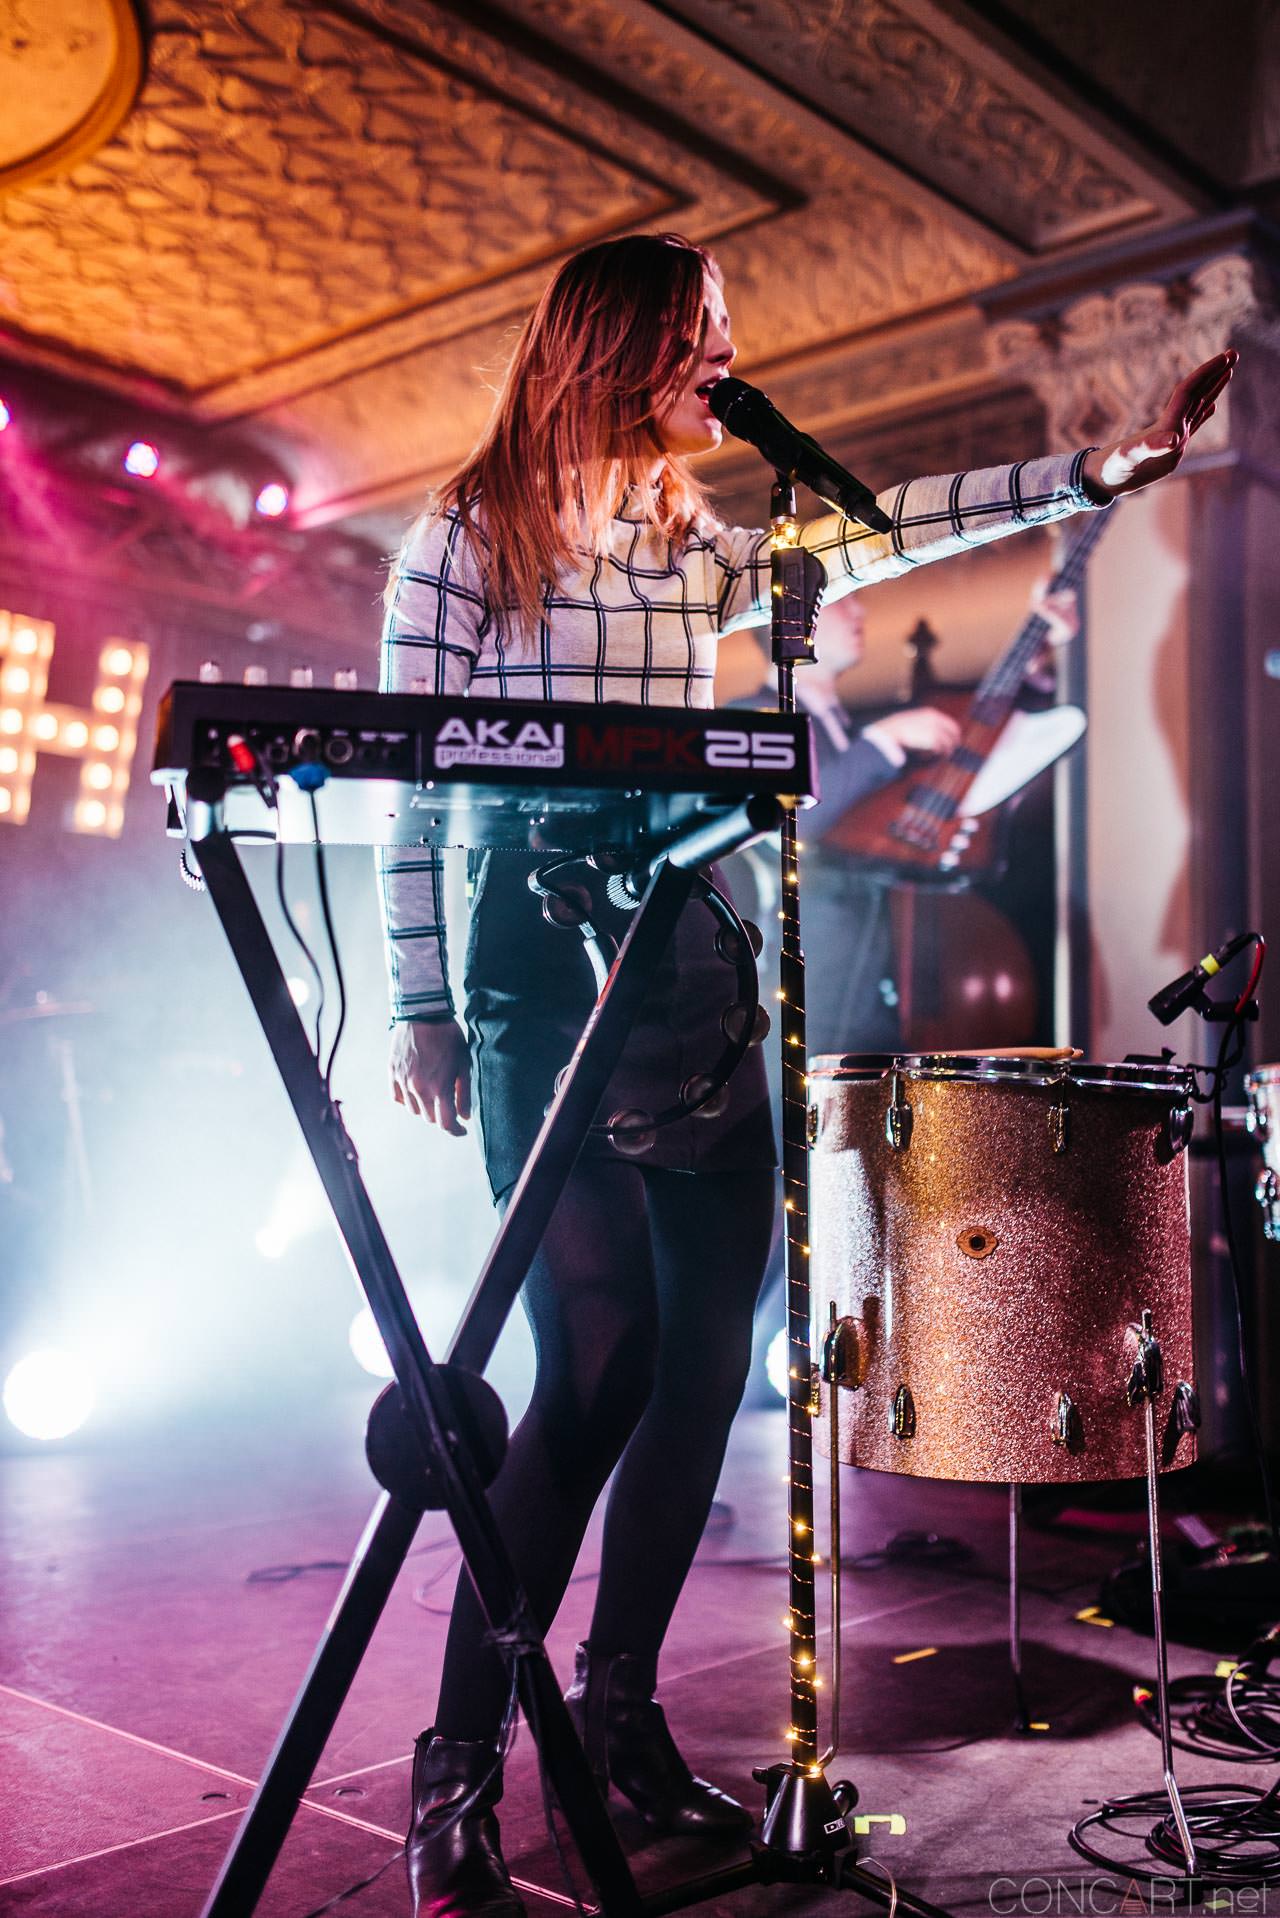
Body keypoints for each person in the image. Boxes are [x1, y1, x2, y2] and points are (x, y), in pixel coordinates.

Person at [377, 230, 1234, 1917]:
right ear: (618, 341)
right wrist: (418, 999)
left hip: (688, 953)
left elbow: (892, 517)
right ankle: (457, 1759)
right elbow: (410, 780)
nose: (728, 355)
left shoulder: (696, 537)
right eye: (703, 330)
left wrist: (1094, 471)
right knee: (596, 1363)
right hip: (537, 963)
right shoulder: (465, 536)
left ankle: (619, 1714)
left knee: (706, 1356)